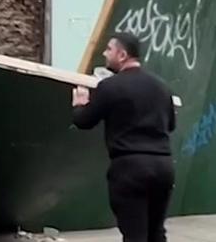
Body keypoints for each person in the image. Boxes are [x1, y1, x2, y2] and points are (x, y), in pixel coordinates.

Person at [71, 32, 176, 242]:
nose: (104, 53)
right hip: (163, 166)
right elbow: (171, 125)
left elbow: (84, 122)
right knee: (156, 232)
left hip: (130, 168)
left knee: (134, 234)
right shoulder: (162, 87)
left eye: (109, 49)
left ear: (122, 55)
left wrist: (79, 104)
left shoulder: (110, 87)